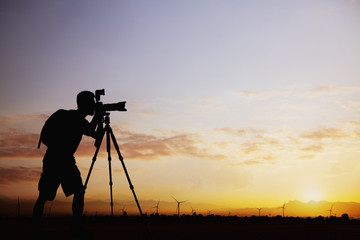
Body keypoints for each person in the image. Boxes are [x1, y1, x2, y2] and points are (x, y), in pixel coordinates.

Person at [31, 91, 101, 238]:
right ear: (85, 104)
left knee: (73, 192)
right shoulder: (74, 118)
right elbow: (92, 131)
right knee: (45, 195)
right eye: (91, 103)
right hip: (58, 160)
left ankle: (72, 228)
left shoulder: (75, 118)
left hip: (61, 160)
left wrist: (98, 116)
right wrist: (98, 116)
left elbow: (93, 132)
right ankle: (38, 230)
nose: (93, 106)